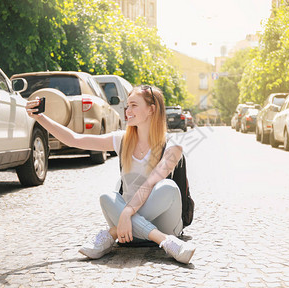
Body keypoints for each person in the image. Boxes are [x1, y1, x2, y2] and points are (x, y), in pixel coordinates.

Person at [25, 85, 196, 264]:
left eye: (133, 105)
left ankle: (111, 234)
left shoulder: (172, 146)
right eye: (127, 106)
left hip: (162, 223)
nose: (127, 110)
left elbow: (150, 183)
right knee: (107, 196)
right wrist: (40, 117)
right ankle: (166, 242)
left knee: (167, 187)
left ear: (151, 109)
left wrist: (125, 214)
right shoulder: (122, 140)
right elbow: (74, 139)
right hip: (129, 228)